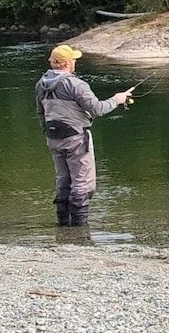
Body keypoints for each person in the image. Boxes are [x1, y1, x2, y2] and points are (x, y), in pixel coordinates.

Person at [35, 44, 133, 227]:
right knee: (83, 183)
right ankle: (79, 229)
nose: (75, 63)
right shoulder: (76, 84)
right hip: (76, 139)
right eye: (73, 60)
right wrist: (117, 100)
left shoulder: (41, 84)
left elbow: (40, 114)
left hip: (53, 139)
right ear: (67, 63)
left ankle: (63, 225)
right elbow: (97, 109)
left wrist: (48, 134)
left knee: (63, 180)